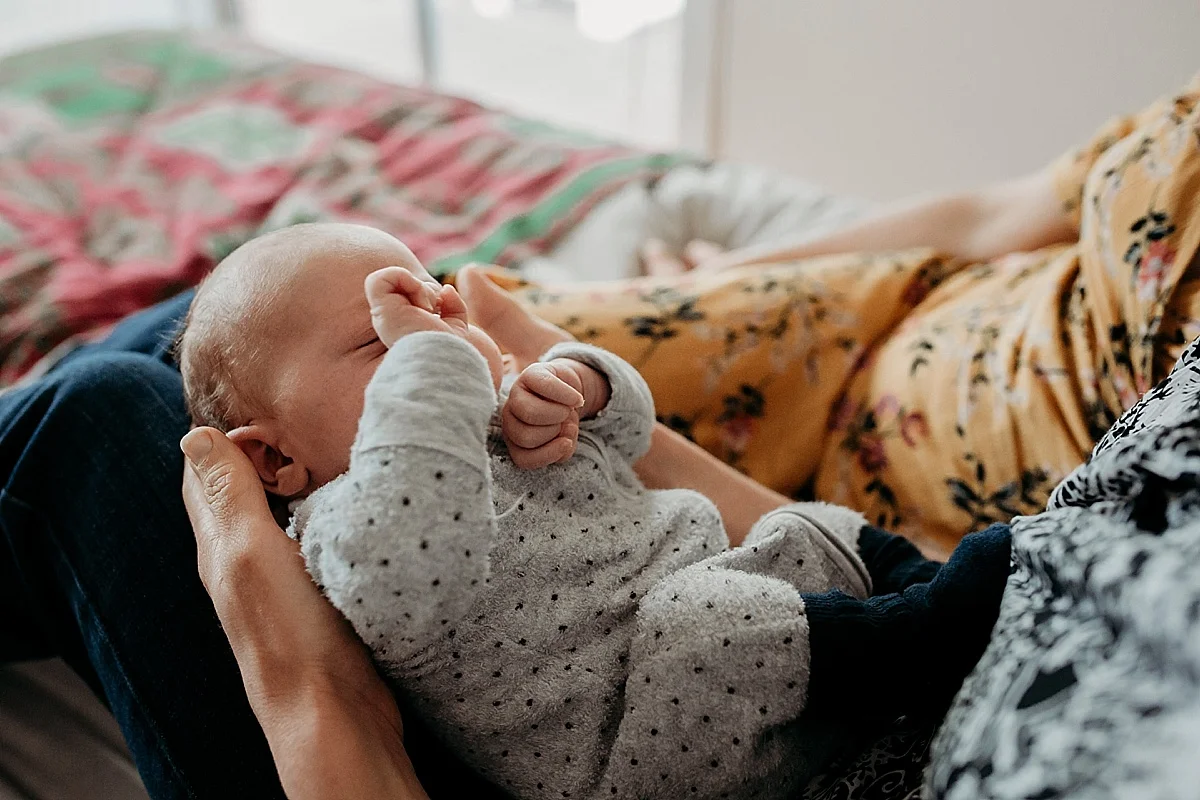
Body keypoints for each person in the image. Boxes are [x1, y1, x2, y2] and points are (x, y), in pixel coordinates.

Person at [176, 222, 881, 798]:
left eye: (441, 304)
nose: (438, 332)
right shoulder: (347, 520)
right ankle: (933, 625)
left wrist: (583, 383)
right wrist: (433, 359)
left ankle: (918, 589)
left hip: (751, 615)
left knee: (815, 528)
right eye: (380, 341)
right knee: (712, 617)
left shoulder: (491, 410)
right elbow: (416, 564)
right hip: (662, 743)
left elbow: (633, 436)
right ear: (275, 463)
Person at [507, 74, 1200, 556]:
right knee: (474, 338)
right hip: (869, 311)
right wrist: (731, 278)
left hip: (897, 520)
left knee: (525, 460)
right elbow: (985, 218)